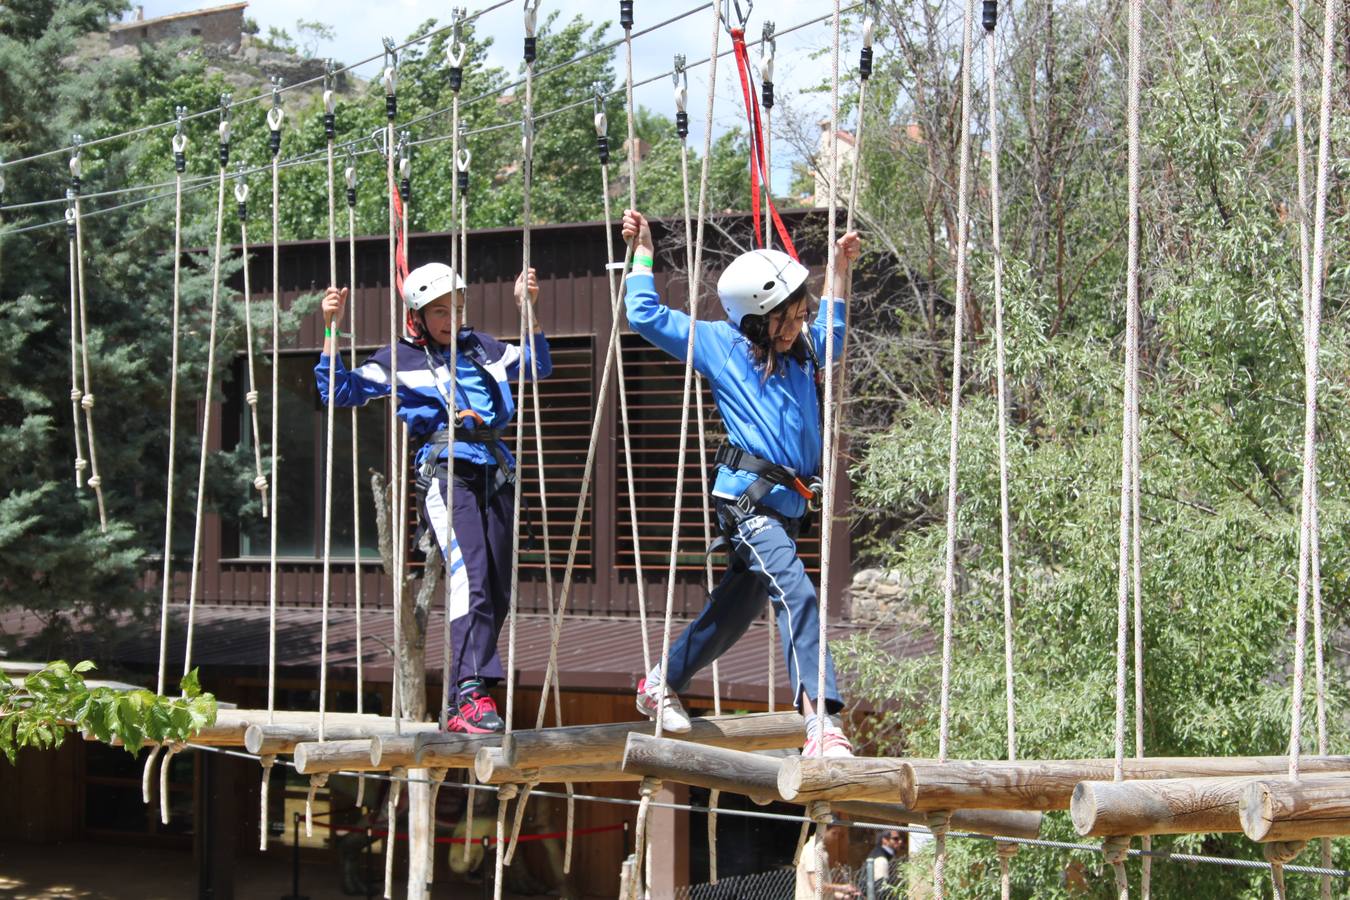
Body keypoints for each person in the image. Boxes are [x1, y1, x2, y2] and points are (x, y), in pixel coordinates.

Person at [620, 208, 860, 758]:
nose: (800, 327)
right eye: (788, 319)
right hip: (748, 505)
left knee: (734, 611)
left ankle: (661, 681)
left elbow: (835, 334)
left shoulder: (800, 352)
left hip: (784, 509)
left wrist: (839, 267)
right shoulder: (720, 346)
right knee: (795, 591)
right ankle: (820, 721)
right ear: (754, 321)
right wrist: (643, 251)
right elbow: (644, 313)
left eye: (801, 316)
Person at [316, 263, 550, 733]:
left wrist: (528, 311)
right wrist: (330, 328)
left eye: (457, 309)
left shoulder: (481, 349)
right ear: (417, 316)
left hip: (495, 472)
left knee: (498, 592)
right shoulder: (399, 358)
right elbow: (336, 391)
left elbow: (538, 365)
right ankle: (471, 692)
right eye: (439, 311)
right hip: (448, 475)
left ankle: (457, 703)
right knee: (473, 577)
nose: (451, 319)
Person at [796, 823, 861, 900]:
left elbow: (823, 890)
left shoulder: (822, 851)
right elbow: (816, 885)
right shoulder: (812, 850)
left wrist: (843, 897)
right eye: (834, 833)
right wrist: (843, 888)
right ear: (823, 830)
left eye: (838, 834)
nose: (836, 837)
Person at [864, 830, 903, 899]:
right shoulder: (881, 859)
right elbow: (881, 888)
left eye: (900, 839)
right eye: (895, 839)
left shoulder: (885, 855)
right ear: (885, 840)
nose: (900, 841)